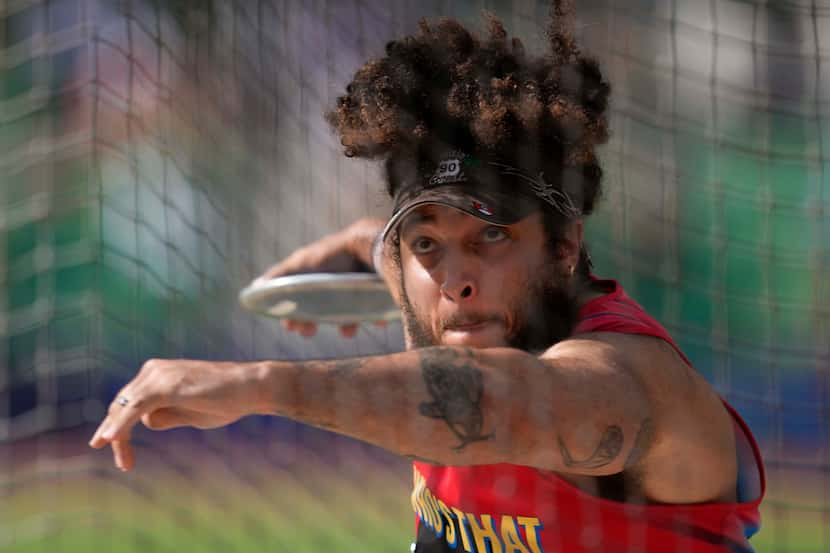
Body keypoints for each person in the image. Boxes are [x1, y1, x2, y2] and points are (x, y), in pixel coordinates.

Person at [89, 2, 765, 551]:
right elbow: (405, 260)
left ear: (564, 245)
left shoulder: (627, 378)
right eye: (428, 243)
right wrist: (363, 245)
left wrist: (259, 382)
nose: (455, 280)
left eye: (492, 234)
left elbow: (504, 405)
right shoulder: (447, 297)